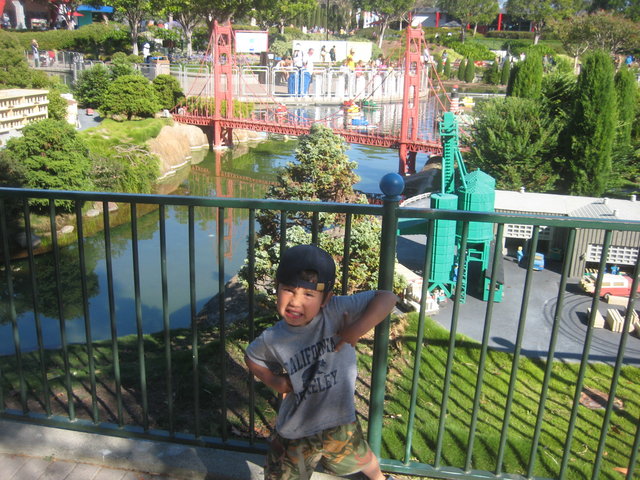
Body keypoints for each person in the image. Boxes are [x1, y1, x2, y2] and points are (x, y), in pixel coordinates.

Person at [245, 244, 397, 480]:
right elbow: (252, 357)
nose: (296, 302)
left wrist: (356, 330)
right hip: (296, 430)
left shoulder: (336, 310)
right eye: (288, 290)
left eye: (308, 295)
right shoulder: (273, 337)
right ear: (277, 288)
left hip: (340, 421)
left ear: (326, 298)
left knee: (363, 459)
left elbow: (387, 297)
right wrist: (276, 382)